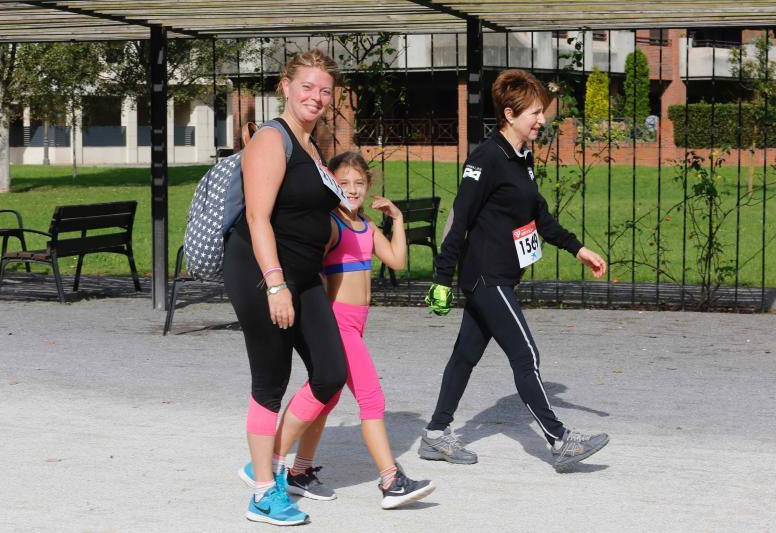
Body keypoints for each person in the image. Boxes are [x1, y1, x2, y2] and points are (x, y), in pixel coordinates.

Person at [420, 69, 610, 472]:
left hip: (501, 276)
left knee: (465, 356)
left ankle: (435, 434)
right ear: (510, 114)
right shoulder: (486, 158)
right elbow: (460, 219)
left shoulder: (521, 158)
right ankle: (559, 440)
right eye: (535, 113)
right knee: (526, 355)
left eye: (542, 112)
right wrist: (441, 278)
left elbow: (539, 216)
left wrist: (578, 249)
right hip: (487, 277)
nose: (542, 120)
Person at [240, 152, 435, 509]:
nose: (353, 189)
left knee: (325, 400)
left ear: (368, 186)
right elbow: (305, 259)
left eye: (359, 183)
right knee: (372, 398)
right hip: (339, 322)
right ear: (331, 184)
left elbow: (397, 260)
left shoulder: (367, 227)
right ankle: (391, 480)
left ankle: (297, 471)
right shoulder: (332, 225)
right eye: (343, 183)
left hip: (357, 324)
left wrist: (399, 220)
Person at [223, 49, 352, 526]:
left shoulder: (311, 144)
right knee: (271, 381)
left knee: (330, 372)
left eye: (324, 90)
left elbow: (312, 210)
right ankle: (262, 492)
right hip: (263, 273)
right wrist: (276, 285)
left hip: (303, 275)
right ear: (285, 85)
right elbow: (258, 218)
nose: (316, 97)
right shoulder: (270, 141)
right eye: (307, 87)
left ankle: (267, 461)